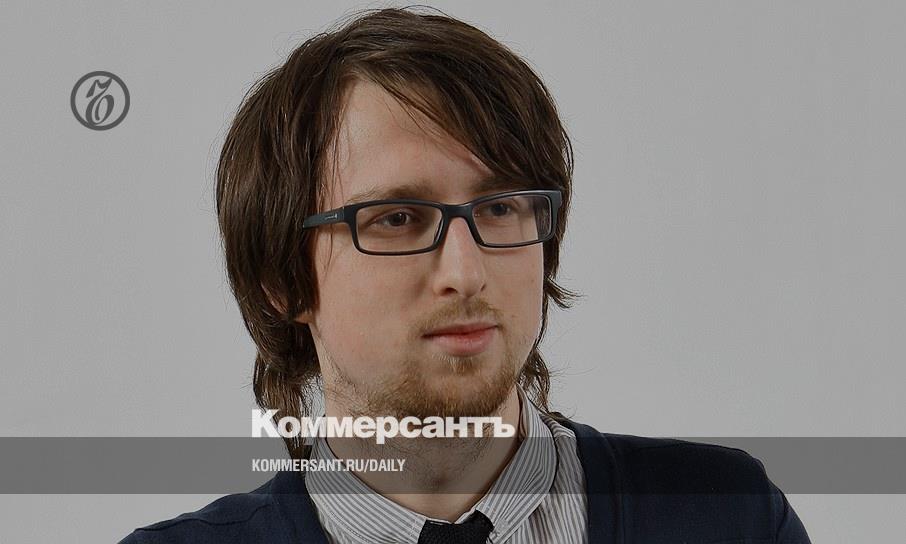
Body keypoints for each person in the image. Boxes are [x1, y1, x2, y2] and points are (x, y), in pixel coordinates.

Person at [122, 7, 810, 543]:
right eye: (397, 218)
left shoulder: (728, 518)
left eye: (501, 207)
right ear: (282, 280)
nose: (466, 271)